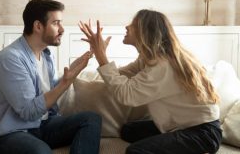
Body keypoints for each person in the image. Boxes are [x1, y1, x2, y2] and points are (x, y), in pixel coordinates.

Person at [78, 9, 222, 154]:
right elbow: (120, 76)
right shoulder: (148, 59)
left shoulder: (163, 66)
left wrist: (101, 56)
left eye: (133, 24)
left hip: (203, 133)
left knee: (135, 151)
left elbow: (127, 95)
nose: (126, 27)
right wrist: (101, 55)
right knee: (128, 131)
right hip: (182, 125)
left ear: (145, 32)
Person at [0, 0, 102, 154]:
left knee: (91, 119)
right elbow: (29, 112)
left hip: (43, 125)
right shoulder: (10, 59)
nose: (62, 29)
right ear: (38, 26)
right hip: (12, 132)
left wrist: (75, 70)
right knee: (41, 151)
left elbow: (49, 95)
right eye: (56, 23)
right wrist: (65, 83)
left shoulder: (46, 55)